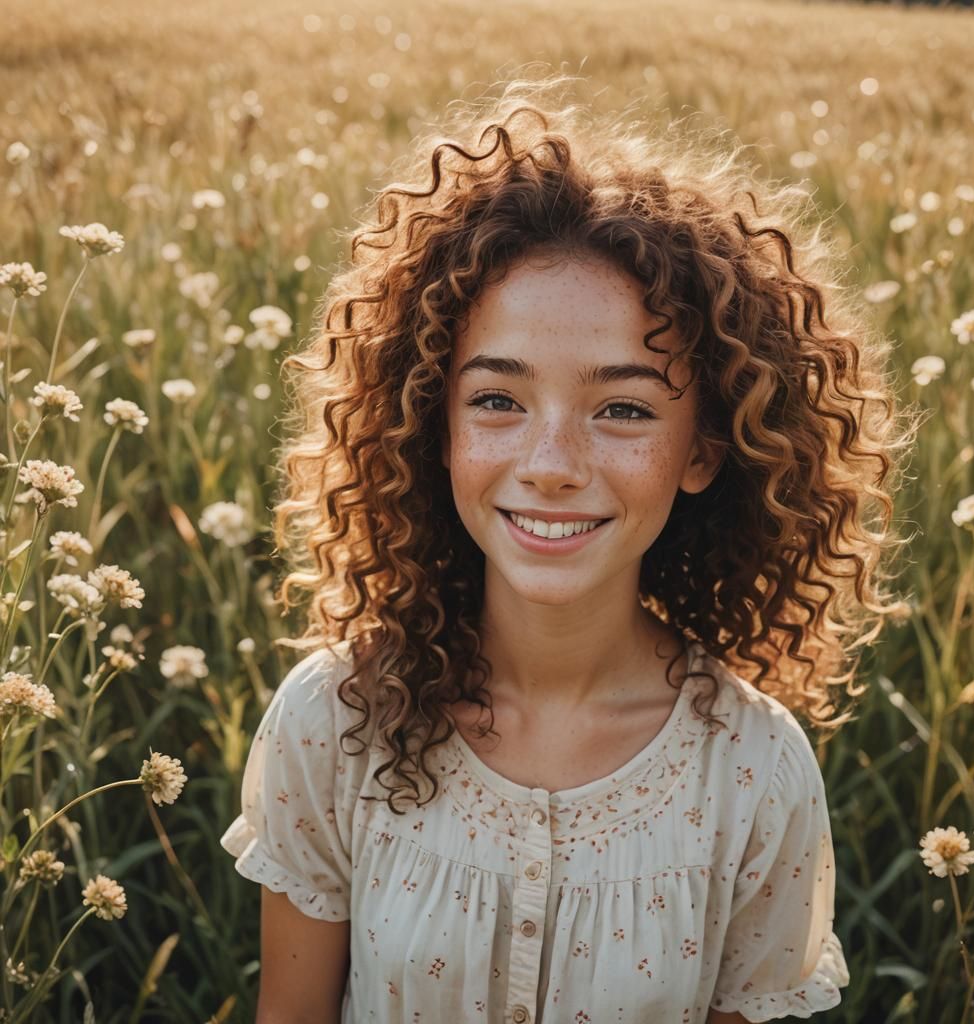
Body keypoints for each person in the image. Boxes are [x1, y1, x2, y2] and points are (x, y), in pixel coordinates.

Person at [220, 70, 915, 1024]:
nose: (551, 465)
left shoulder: (754, 773)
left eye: (623, 408)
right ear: (436, 426)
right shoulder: (334, 723)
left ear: (705, 450)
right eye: (498, 400)